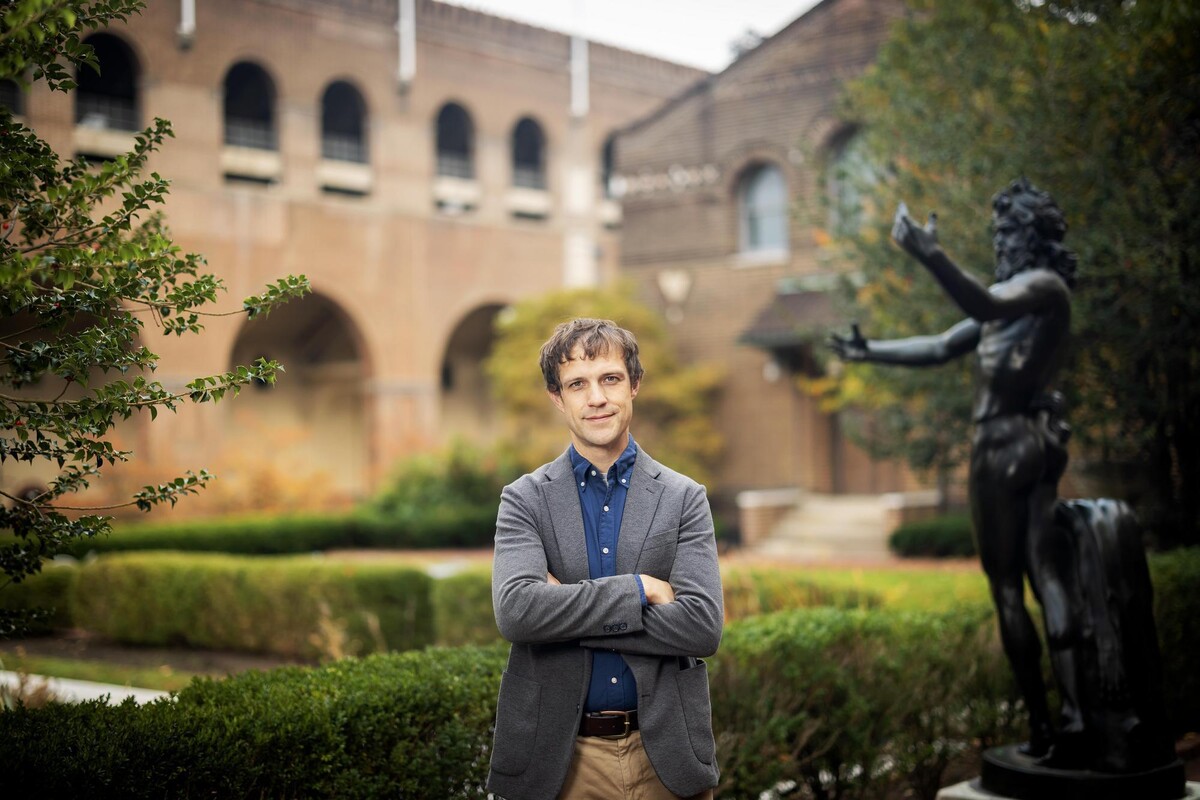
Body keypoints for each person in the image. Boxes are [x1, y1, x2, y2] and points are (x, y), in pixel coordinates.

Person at [830, 179, 1080, 758]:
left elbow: (980, 304)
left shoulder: (1042, 288)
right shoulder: (1015, 302)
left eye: (1009, 232)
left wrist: (929, 253)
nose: (1000, 243)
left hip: (1003, 445)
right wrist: (872, 351)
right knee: (1044, 581)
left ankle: (1053, 728)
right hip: (1028, 443)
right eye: (997, 234)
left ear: (1035, 237)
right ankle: (1068, 720)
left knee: (1014, 590)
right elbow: (942, 345)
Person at [487, 318, 723, 800]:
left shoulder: (684, 498)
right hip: (561, 763)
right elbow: (516, 612)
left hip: (668, 759)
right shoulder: (524, 500)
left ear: (634, 385)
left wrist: (562, 612)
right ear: (558, 398)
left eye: (609, 379)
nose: (596, 398)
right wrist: (640, 590)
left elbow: (701, 628)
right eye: (578, 384)